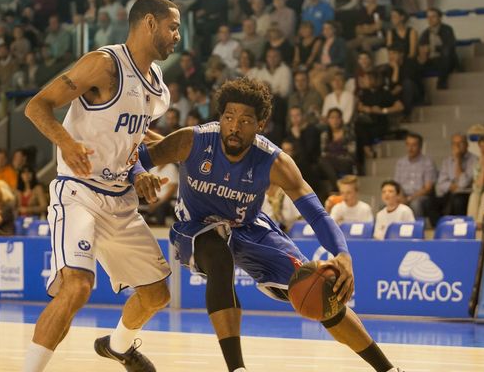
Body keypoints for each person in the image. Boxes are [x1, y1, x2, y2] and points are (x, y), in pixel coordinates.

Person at [136, 77, 404, 372]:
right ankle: (237, 368)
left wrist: (343, 253)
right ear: (220, 118)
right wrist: (140, 175)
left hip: (249, 227)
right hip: (196, 227)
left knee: (317, 288)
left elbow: (316, 213)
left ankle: (388, 369)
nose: (235, 127)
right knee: (219, 257)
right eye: (228, 117)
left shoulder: (275, 162)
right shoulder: (192, 140)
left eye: (245, 120)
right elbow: (138, 159)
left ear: (260, 124)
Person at [23, 0, 180, 372]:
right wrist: (66, 142)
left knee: (157, 295)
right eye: (173, 27)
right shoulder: (104, 65)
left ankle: (118, 346)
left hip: (121, 200)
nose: (177, 36)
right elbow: (36, 106)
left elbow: (132, 137)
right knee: (77, 286)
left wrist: (139, 172)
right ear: (148, 23)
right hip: (79, 193)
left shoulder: (159, 89)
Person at [432, 133, 477, 222]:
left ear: (467, 145)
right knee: (430, 202)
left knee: (457, 200)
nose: (457, 146)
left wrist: (458, 160)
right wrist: (452, 186)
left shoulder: (474, 160)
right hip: (450, 193)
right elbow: (441, 184)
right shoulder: (447, 161)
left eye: (460, 143)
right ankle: (441, 228)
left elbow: (463, 184)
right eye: (454, 144)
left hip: (466, 194)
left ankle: (459, 226)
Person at [394, 132, 437, 218]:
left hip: (421, 196)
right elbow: (396, 185)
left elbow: (428, 188)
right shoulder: (400, 162)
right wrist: (401, 198)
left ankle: (417, 229)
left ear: (420, 146)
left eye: (414, 145)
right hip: (403, 195)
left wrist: (409, 198)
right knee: (386, 204)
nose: (410, 148)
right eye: (408, 145)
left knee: (415, 204)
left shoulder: (428, 162)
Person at [418, 8, 457, 89]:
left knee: (446, 53)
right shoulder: (425, 33)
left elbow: (449, 46)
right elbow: (422, 49)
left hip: (445, 58)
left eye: (433, 17)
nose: (430, 19)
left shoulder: (447, 29)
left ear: (440, 18)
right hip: (431, 60)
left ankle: (441, 83)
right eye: (428, 17)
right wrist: (423, 54)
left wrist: (434, 48)